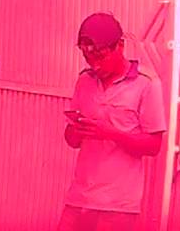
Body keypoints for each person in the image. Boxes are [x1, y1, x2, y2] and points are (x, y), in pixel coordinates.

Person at [58, 12, 167, 231]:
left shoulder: (146, 83)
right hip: (79, 198)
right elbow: (71, 140)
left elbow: (154, 146)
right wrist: (77, 129)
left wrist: (110, 133)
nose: (95, 65)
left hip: (118, 206)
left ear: (120, 46)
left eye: (101, 57)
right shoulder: (84, 80)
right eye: (88, 58)